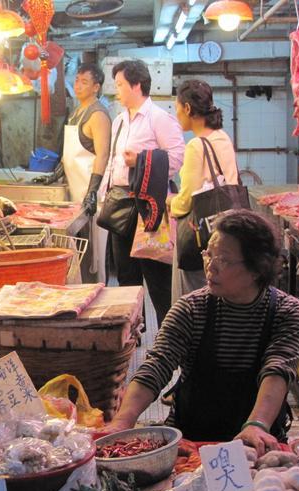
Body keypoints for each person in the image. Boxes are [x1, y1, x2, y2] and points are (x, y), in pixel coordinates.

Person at [109, 210, 299, 455]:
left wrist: (257, 425)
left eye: (223, 260)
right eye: (208, 254)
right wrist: (123, 421)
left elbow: (277, 369)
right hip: (190, 443)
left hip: (257, 444)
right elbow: (157, 365)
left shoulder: (289, 312)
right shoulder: (191, 308)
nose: (210, 267)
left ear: (257, 268)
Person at [106, 60, 185, 324]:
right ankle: (132, 337)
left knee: (158, 279)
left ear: (136, 85)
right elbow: (113, 163)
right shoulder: (119, 121)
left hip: (149, 209)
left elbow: (177, 158)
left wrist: (140, 160)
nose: (116, 90)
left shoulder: (159, 119)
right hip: (121, 206)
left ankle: (168, 335)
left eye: (120, 84)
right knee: (126, 279)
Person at [169, 79, 239, 303]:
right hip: (227, 231)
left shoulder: (196, 145)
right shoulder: (223, 137)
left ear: (188, 108)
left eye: (177, 108)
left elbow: (187, 201)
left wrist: (170, 202)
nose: (176, 114)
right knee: (220, 298)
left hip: (200, 237)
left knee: (194, 299)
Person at [63, 62, 111, 282]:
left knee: (93, 254)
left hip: (91, 195)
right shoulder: (76, 112)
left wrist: (92, 191)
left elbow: (103, 154)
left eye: (84, 82)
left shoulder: (97, 114)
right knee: (79, 252)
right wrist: (57, 173)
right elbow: (70, 152)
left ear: (96, 87)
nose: (78, 85)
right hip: (75, 192)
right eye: (76, 80)